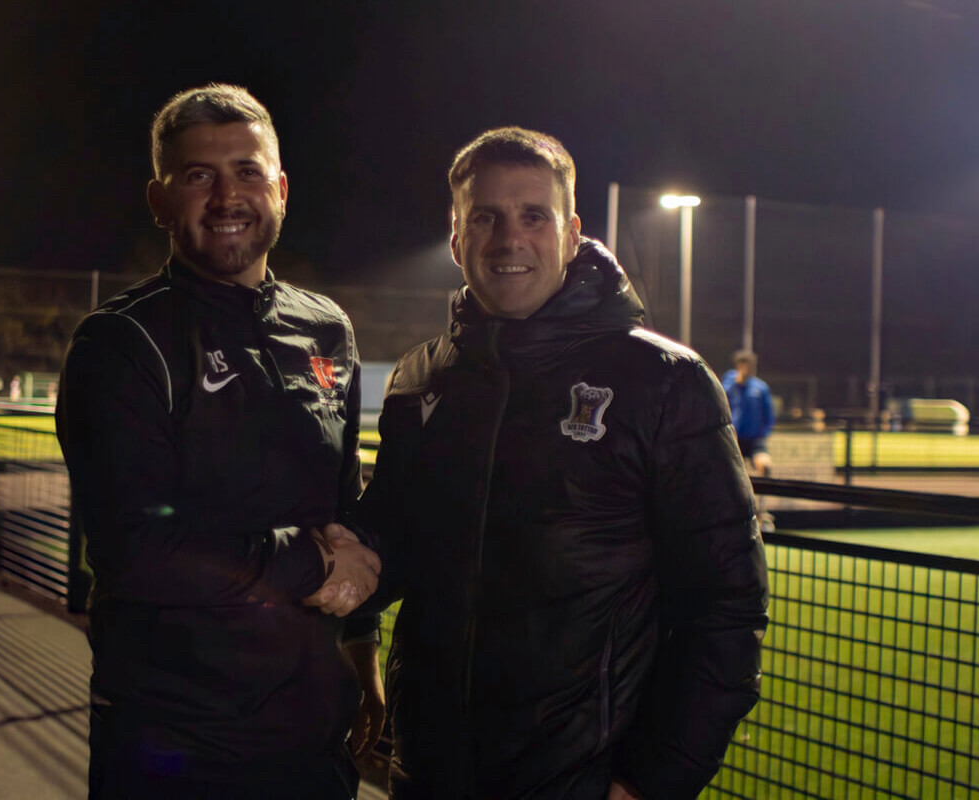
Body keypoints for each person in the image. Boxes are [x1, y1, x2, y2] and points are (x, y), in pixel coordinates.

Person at [341, 127, 769, 799]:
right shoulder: (421, 378)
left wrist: (651, 782)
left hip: (578, 783)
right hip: (427, 772)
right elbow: (398, 544)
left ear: (571, 233)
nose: (509, 238)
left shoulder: (665, 382)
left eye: (533, 216)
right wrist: (321, 562)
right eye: (485, 217)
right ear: (456, 241)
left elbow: (725, 606)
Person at [55, 83, 383, 800]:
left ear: (282, 189)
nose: (228, 195)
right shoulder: (121, 344)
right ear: (160, 201)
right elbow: (133, 550)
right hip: (174, 744)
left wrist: (362, 662)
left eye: (248, 171)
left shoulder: (327, 328)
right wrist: (314, 558)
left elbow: (343, 509)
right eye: (199, 175)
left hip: (311, 741)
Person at [722, 350, 776, 532]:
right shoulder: (729, 383)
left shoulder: (760, 388)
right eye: (747, 365)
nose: (750, 369)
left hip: (754, 440)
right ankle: (735, 513)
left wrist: (763, 433)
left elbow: (769, 416)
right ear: (739, 365)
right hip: (734, 439)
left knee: (765, 467)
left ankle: (763, 512)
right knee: (734, 475)